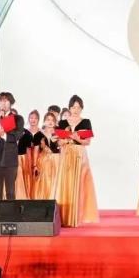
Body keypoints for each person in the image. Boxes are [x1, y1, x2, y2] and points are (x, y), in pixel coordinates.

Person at [55, 94, 99, 227]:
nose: (76, 110)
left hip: (80, 154)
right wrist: (66, 139)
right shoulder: (62, 123)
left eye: (78, 107)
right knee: (66, 183)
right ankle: (64, 216)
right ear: (69, 108)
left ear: (82, 108)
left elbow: (87, 142)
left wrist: (77, 138)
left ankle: (77, 216)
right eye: (74, 107)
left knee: (79, 184)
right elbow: (59, 142)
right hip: (66, 154)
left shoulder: (86, 122)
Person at [0, 92, 25, 203]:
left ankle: (10, 213)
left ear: (11, 102)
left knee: (10, 192)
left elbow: (17, 135)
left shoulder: (17, 118)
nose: (3, 103)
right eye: (1, 101)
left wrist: (3, 134)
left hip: (9, 158)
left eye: (6, 100)